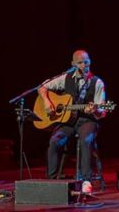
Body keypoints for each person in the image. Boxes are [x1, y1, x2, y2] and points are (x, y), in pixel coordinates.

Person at [39, 50, 107, 184]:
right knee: (54, 141)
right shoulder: (66, 78)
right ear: (73, 64)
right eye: (80, 63)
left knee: (85, 141)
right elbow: (42, 88)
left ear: (90, 62)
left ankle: (86, 182)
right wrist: (47, 102)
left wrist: (94, 110)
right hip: (68, 121)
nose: (83, 65)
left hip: (87, 120)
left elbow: (102, 112)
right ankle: (50, 182)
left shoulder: (97, 82)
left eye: (86, 62)